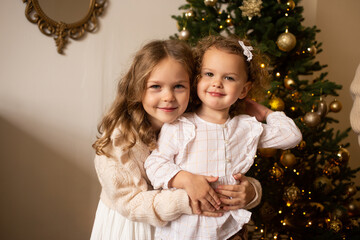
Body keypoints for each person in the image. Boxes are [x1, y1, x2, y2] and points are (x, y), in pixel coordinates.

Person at [90, 39, 262, 240]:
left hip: (184, 229)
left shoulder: (194, 126)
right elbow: (131, 203)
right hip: (134, 229)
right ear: (137, 88)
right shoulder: (120, 141)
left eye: (179, 86)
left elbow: (222, 170)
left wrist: (252, 191)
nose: (168, 97)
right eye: (156, 86)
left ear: (193, 86)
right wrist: (188, 197)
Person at [145, 35, 303, 240]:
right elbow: (155, 164)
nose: (217, 83)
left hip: (229, 230)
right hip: (183, 230)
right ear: (197, 79)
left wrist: (264, 113)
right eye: (209, 74)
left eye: (229, 78)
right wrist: (185, 179)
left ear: (244, 89)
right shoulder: (180, 125)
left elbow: (292, 135)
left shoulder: (246, 128)